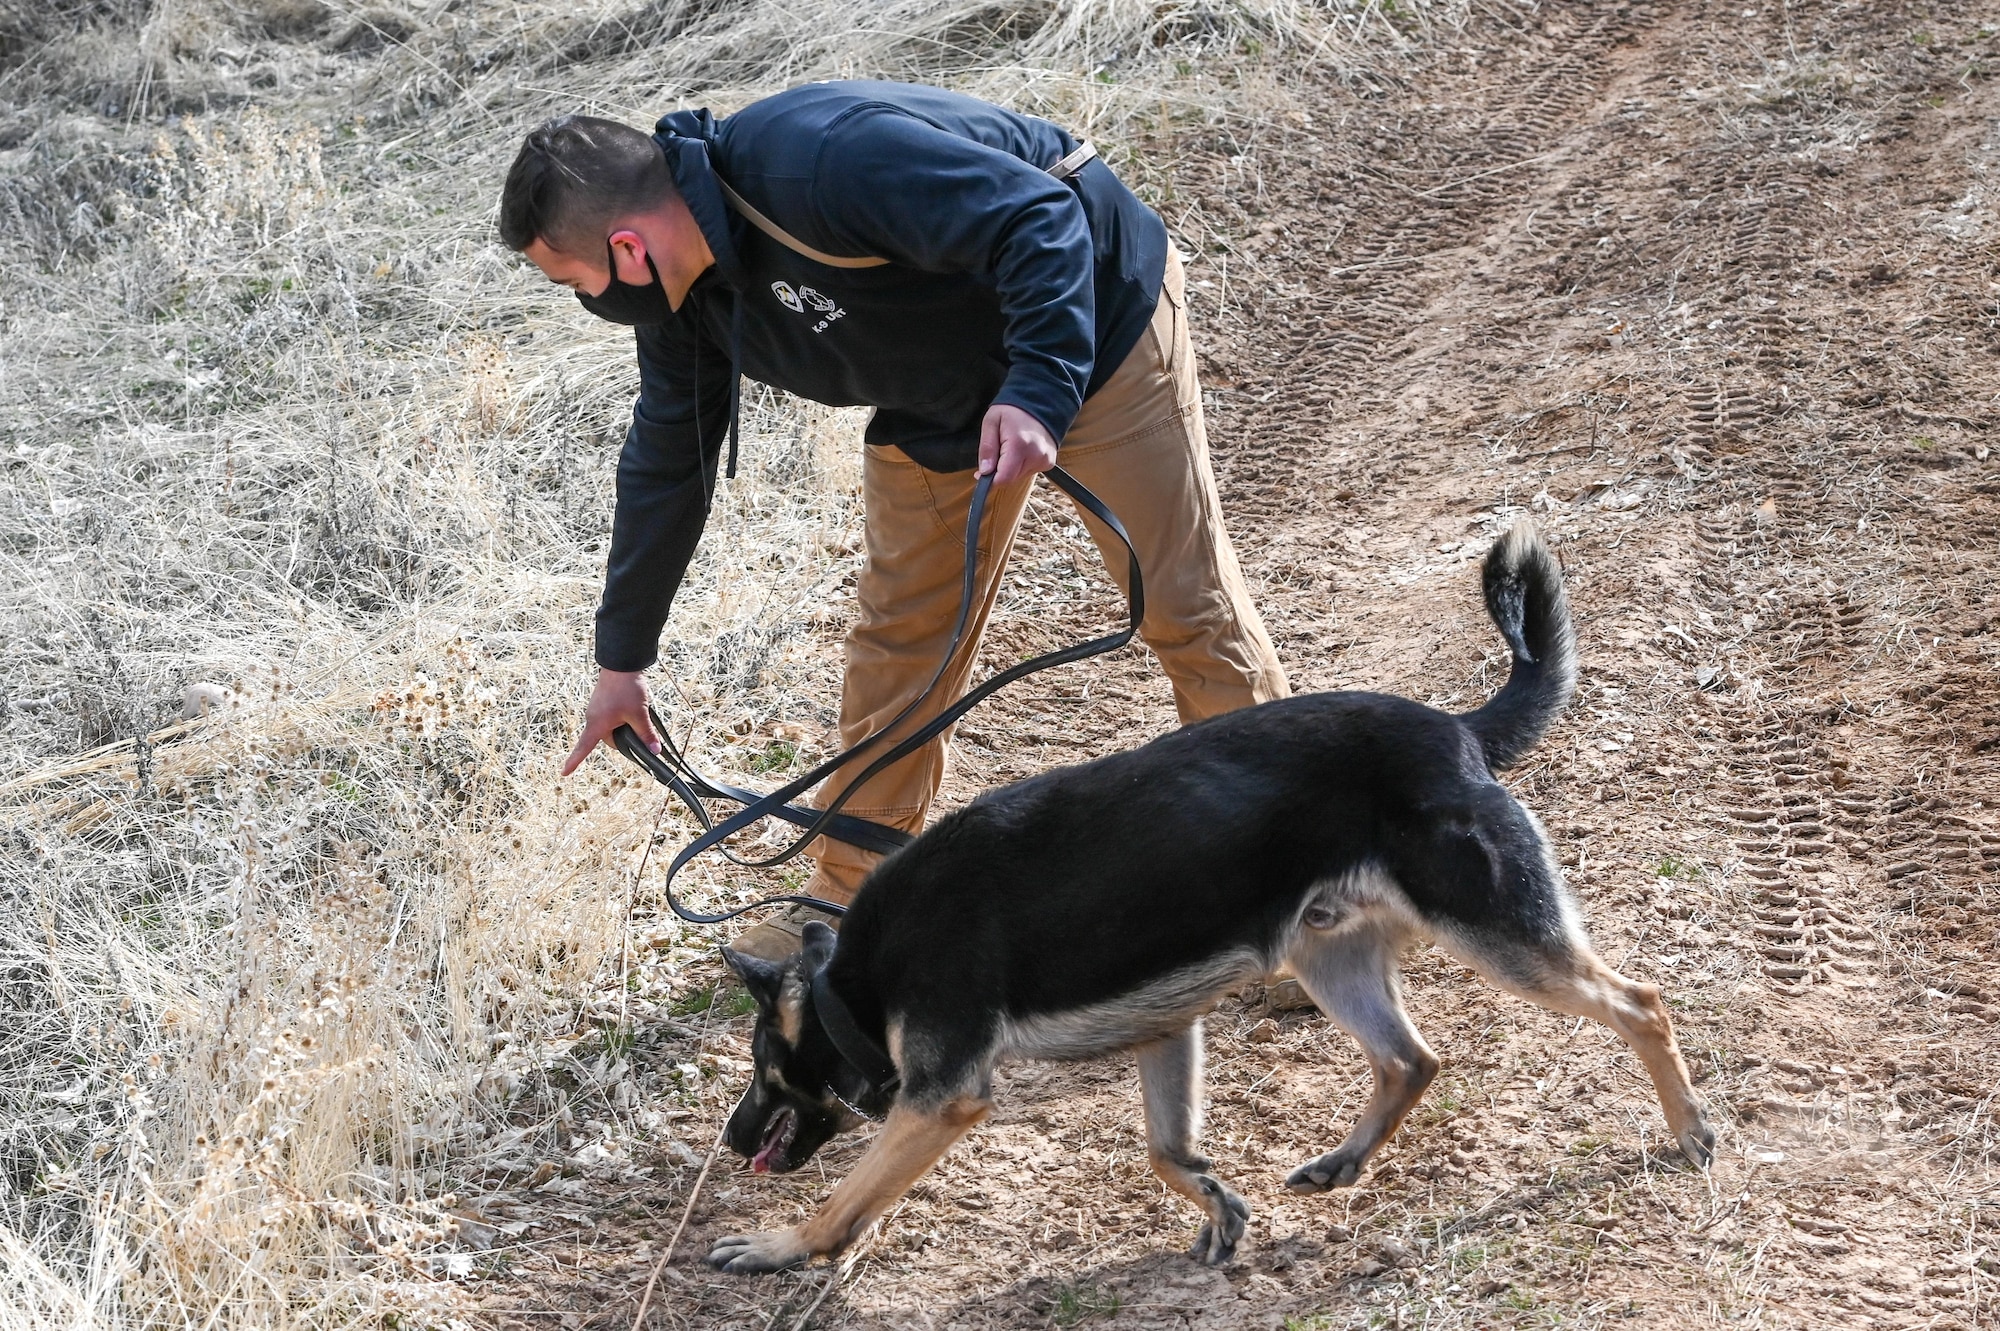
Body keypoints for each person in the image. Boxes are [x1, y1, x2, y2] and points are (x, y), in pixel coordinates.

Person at [500, 81, 1289, 959]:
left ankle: (1303, 898)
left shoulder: (820, 163)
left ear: (627, 246)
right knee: (899, 644)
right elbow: (665, 466)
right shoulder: (686, 303)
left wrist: (1037, 388)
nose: (588, 303)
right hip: (937, 397)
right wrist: (622, 662)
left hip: (1092, 326)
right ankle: (852, 906)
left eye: (576, 282)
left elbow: (1039, 218)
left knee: (1186, 608)